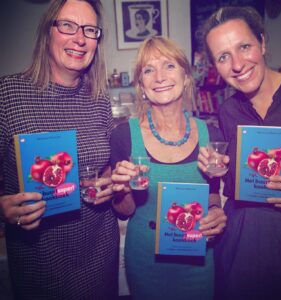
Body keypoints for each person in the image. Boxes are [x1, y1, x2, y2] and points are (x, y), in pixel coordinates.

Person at [0, 0, 119, 299]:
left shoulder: (100, 100)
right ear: (47, 31)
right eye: (67, 25)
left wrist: (108, 183)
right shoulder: (8, 94)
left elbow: (104, 167)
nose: (79, 38)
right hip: (38, 263)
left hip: (99, 254)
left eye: (90, 30)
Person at [110, 36, 227, 300]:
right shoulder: (123, 136)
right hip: (145, 259)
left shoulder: (211, 134)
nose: (159, 76)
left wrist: (217, 210)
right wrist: (120, 189)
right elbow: (124, 211)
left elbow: (211, 192)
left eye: (169, 66)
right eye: (148, 70)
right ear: (141, 85)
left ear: (186, 76)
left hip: (198, 258)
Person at [197, 6, 281, 300]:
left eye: (244, 47)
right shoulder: (228, 110)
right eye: (223, 57)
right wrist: (214, 170)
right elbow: (230, 186)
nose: (238, 64)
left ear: (263, 43)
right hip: (241, 249)